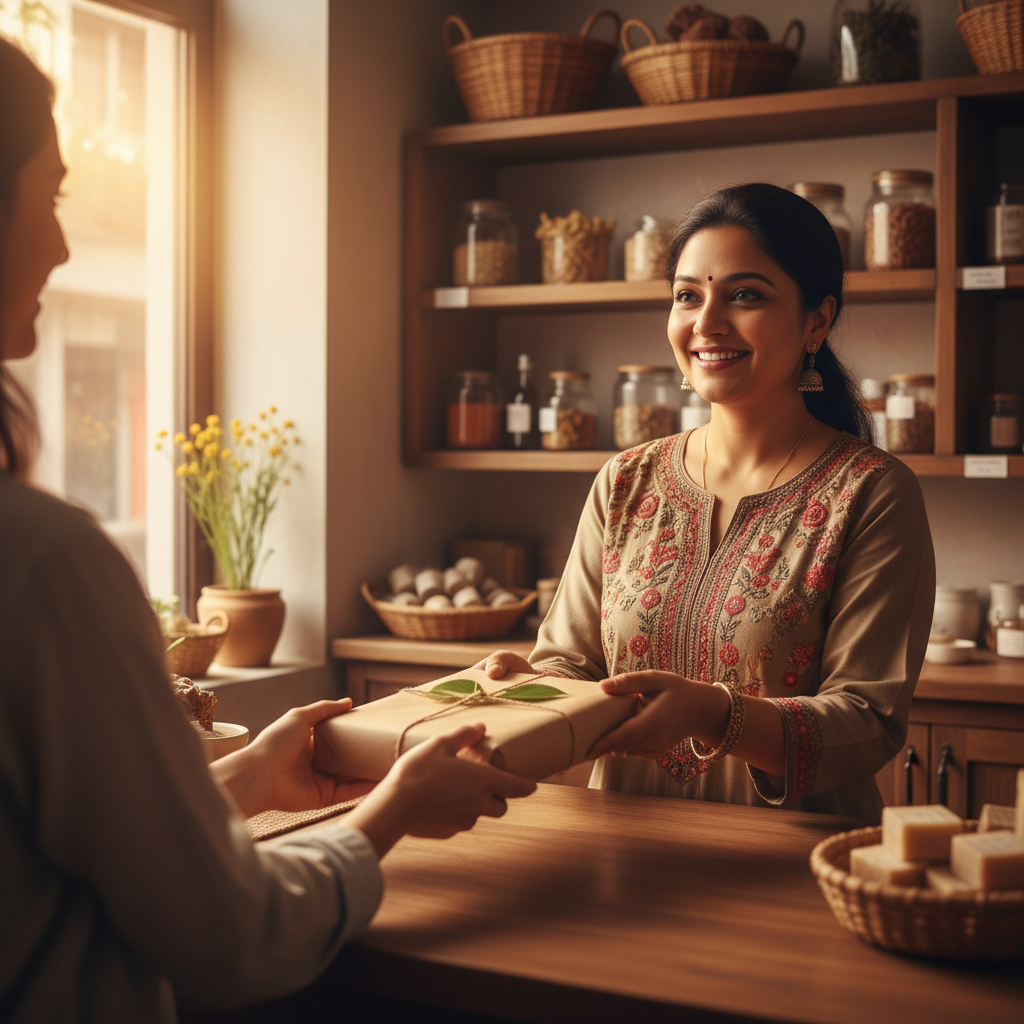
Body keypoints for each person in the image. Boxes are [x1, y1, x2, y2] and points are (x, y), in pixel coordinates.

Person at [0, 36, 535, 1023]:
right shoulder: (43, 564)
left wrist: (247, 777)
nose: (64, 246)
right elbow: (230, 934)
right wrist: (393, 809)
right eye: (54, 195)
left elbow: (59, 851)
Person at [480, 182, 935, 820]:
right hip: (618, 846)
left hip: (794, 859)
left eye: (745, 295)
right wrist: (528, 687)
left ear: (817, 320)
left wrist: (717, 715)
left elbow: (867, 721)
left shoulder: (871, 492)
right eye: (687, 296)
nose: (706, 323)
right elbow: (571, 665)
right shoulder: (625, 480)